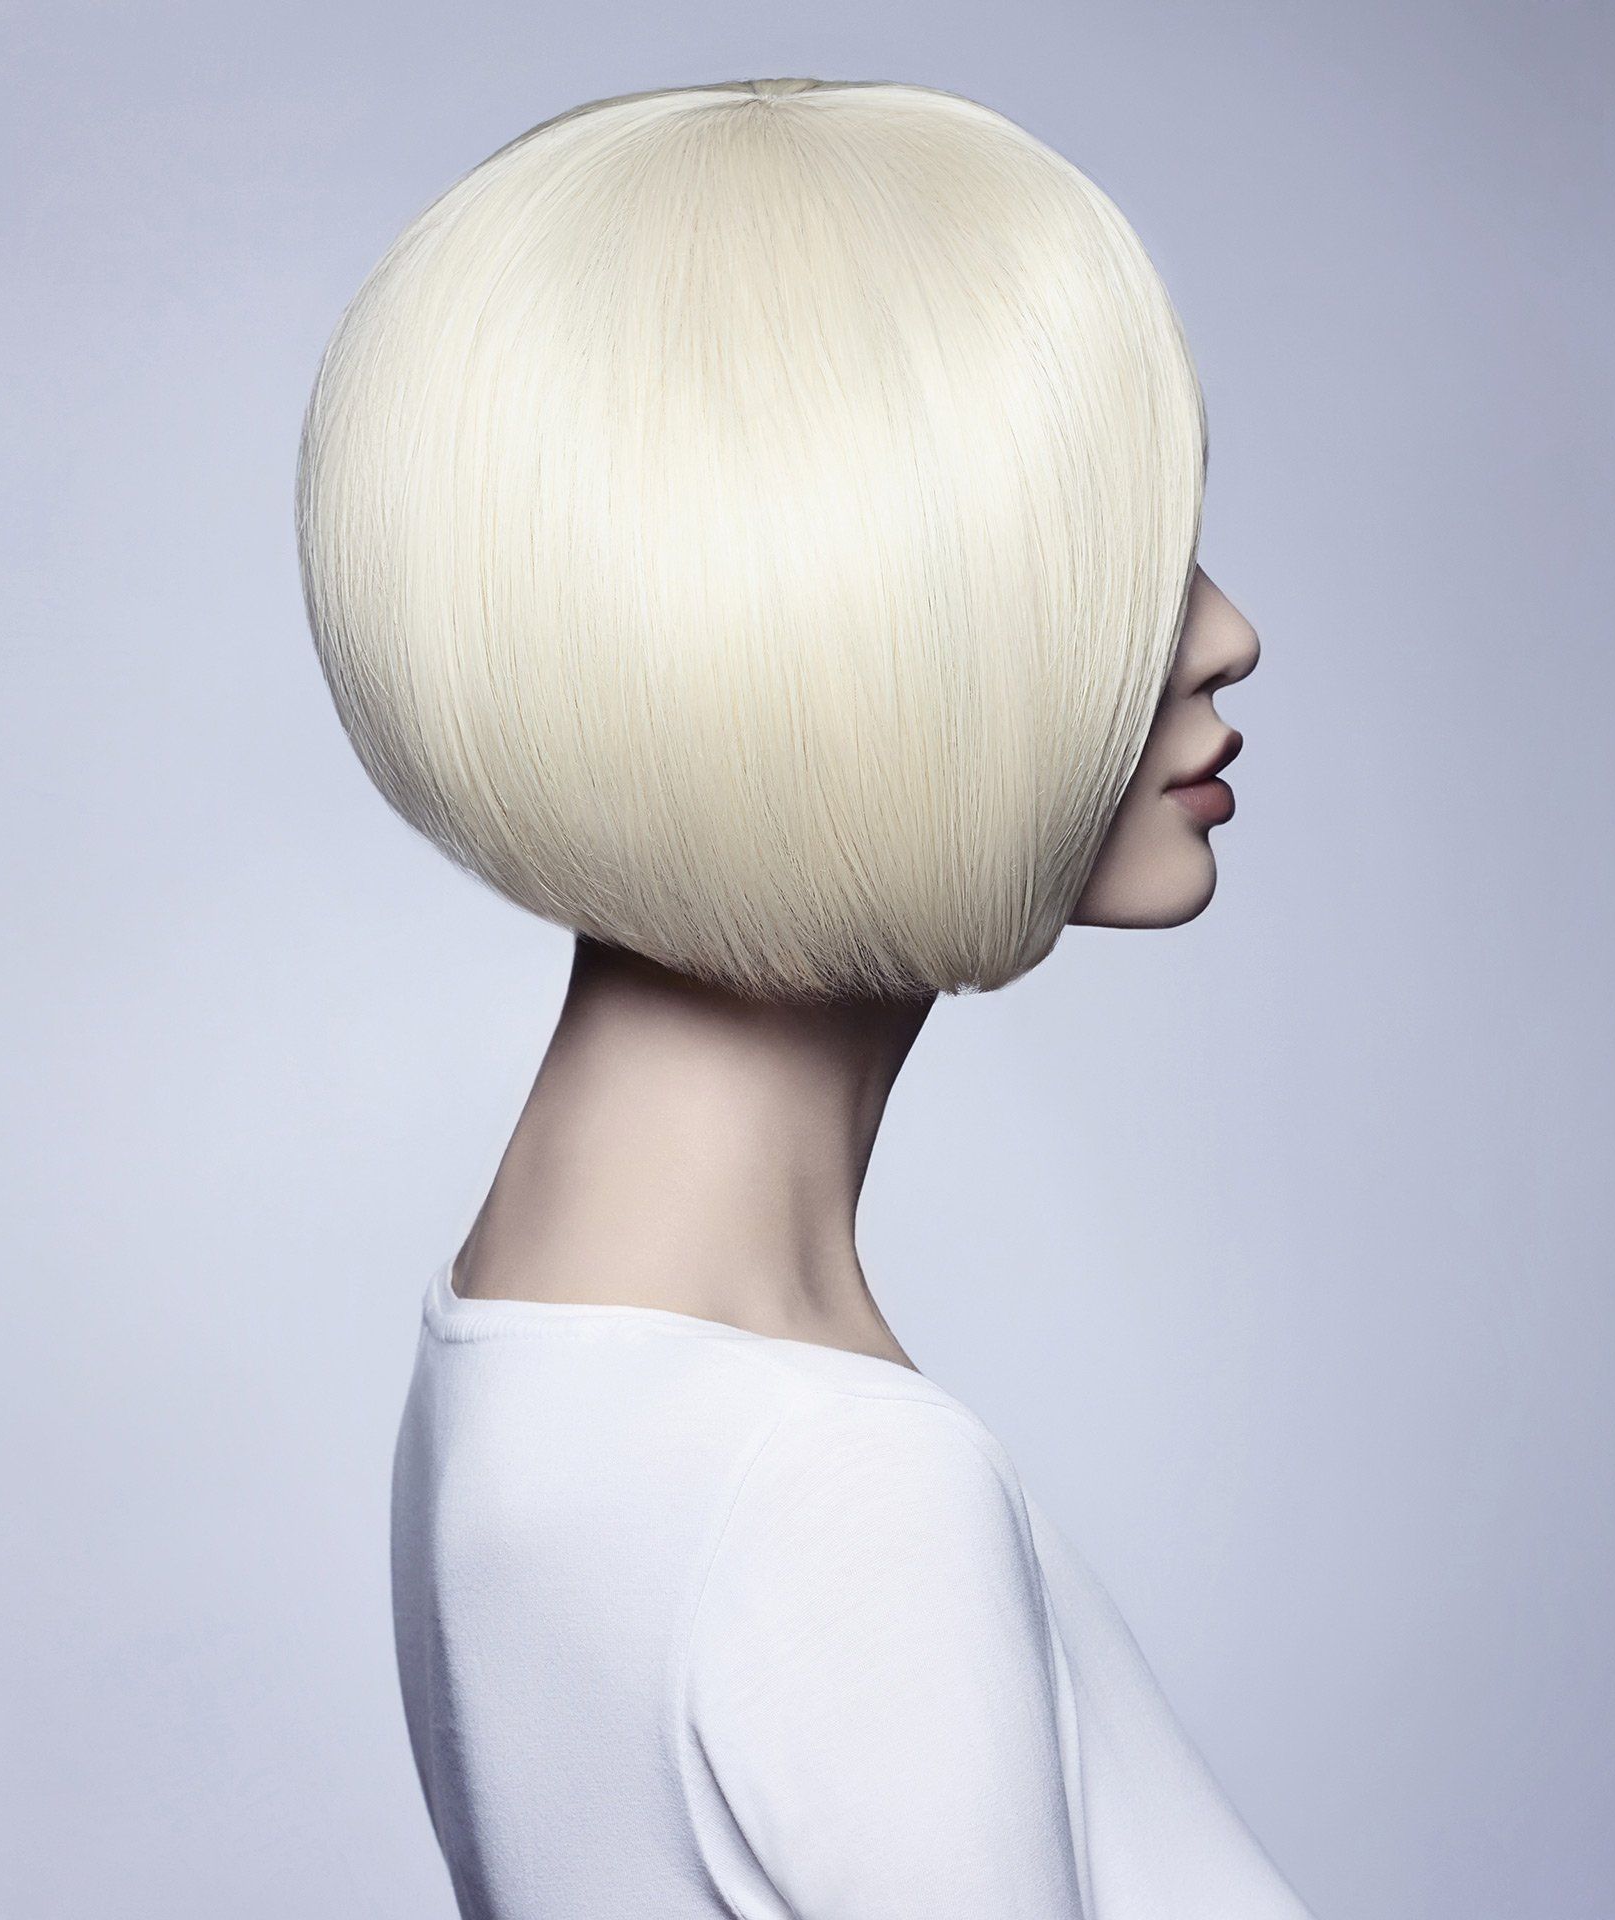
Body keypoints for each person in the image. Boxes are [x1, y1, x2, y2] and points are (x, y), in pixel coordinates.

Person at [297, 75, 1309, 1919]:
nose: (1225, 635)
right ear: (841, 615)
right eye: (1111, 568)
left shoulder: (526, 1355)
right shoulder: (839, 1494)